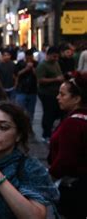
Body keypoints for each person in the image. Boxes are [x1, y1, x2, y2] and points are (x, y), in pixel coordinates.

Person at [49, 73, 87, 218]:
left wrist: (48, 177)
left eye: (62, 94)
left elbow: (65, 159)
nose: (58, 97)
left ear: (77, 99)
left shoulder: (73, 124)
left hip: (74, 188)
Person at [36, 47, 64, 142]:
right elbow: (40, 80)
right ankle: (46, 134)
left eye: (57, 57)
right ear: (48, 55)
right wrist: (56, 79)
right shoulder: (42, 66)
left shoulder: (56, 63)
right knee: (48, 113)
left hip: (55, 92)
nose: (56, 59)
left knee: (57, 113)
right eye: (54, 56)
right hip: (46, 93)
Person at [14, 49, 38, 122]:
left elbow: (38, 75)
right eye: (28, 57)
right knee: (20, 111)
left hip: (32, 91)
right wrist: (26, 69)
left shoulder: (36, 63)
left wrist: (33, 69)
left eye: (31, 56)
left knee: (31, 112)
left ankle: (29, 127)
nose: (29, 58)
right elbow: (16, 74)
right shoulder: (20, 63)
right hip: (21, 90)